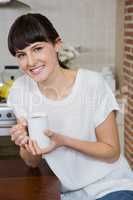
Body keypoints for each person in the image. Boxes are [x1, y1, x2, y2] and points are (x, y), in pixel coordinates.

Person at [7, 13, 133, 200]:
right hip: (66, 193)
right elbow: (32, 161)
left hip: (110, 185)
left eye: (38, 49)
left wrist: (63, 141)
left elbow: (112, 152)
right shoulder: (20, 90)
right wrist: (25, 143)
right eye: (21, 55)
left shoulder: (92, 84)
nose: (31, 62)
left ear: (57, 44)